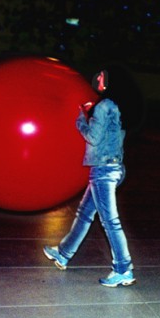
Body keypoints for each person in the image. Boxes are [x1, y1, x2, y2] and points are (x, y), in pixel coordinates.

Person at [43, 69, 136, 287]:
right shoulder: (117, 106)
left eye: (103, 77)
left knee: (110, 221)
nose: (98, 79)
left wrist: (80, 120)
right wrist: (90, 112)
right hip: (115, 167)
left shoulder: (104, 106)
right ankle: (63, 253)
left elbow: (93, 138)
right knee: (85, 213)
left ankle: (123, 268)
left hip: (103, 170)